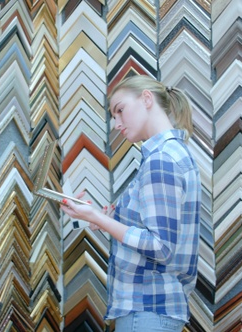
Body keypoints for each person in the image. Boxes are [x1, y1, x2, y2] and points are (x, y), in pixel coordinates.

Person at [60, 75, 201, 332]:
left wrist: (96, 217)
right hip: (153, 311)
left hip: (147, 309)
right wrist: (110, 220)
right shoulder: (171, 154)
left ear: (147, 98)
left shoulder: (161, 160)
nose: (116, 124)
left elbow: (160, 246)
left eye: (120, 110)